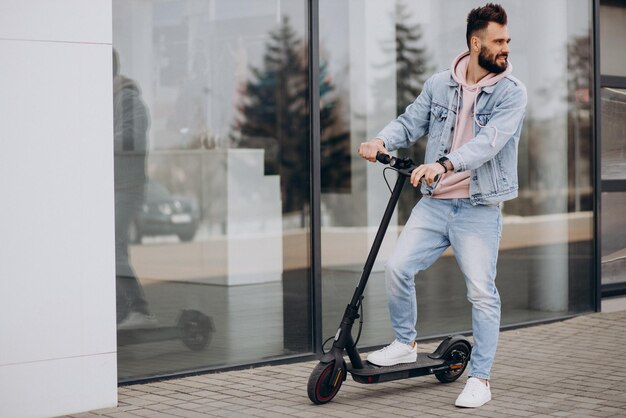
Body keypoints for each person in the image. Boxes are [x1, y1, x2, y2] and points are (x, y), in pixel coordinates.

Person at [358, 3, 526, 408]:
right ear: (475, 42)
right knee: (397, 267)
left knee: (482, 293)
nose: (506, 47)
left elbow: (488, 145)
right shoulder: (439, 85)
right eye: (499, 40)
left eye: (507, 40)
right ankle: (405, 342)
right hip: (435, 205)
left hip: (479, 207)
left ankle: (480, 379)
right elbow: (411, 120)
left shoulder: (511, 93)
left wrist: (444, 164)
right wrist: (382, 139)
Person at [113, 48, 157, 329]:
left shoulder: (127, 98)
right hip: (114, 186)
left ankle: (140, 310)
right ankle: (123, 309)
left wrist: (94, 139)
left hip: (127, 187)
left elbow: (132, 140)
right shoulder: (110, 98)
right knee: (110, 249)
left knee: (113, 248)